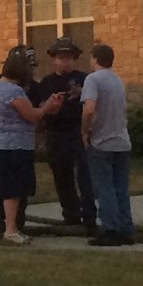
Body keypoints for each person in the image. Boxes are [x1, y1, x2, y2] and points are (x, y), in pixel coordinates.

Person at [0, 46, 56, 246]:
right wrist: (47, 107)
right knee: (12, 189)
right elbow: (31, 115)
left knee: (14, 188)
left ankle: (13, 227)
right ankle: (10, 229)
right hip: (11, 147)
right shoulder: (12, 90)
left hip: (9, 146)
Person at [79, 41, 135, 246]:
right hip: (122, 140)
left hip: (102, 141)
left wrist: (85, 131)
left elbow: (89, 109)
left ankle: (111, 229)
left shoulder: (93, 79)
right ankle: (126, 227)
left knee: (104, 187)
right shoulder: (117, 80)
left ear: (95, 58)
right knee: (121, 187)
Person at [32, 38, 91, 231]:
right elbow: (40, 108)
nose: (65, 62)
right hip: (56, 133)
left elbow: (94, 104)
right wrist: (50, 105)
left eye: (69, 58)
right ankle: (71, 215)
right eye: (61, 58)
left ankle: (89, 215)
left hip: (79, 132)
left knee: (85, 173)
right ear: (54, 60)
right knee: (62, 175)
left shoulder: (85, 79)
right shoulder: (47, 83)